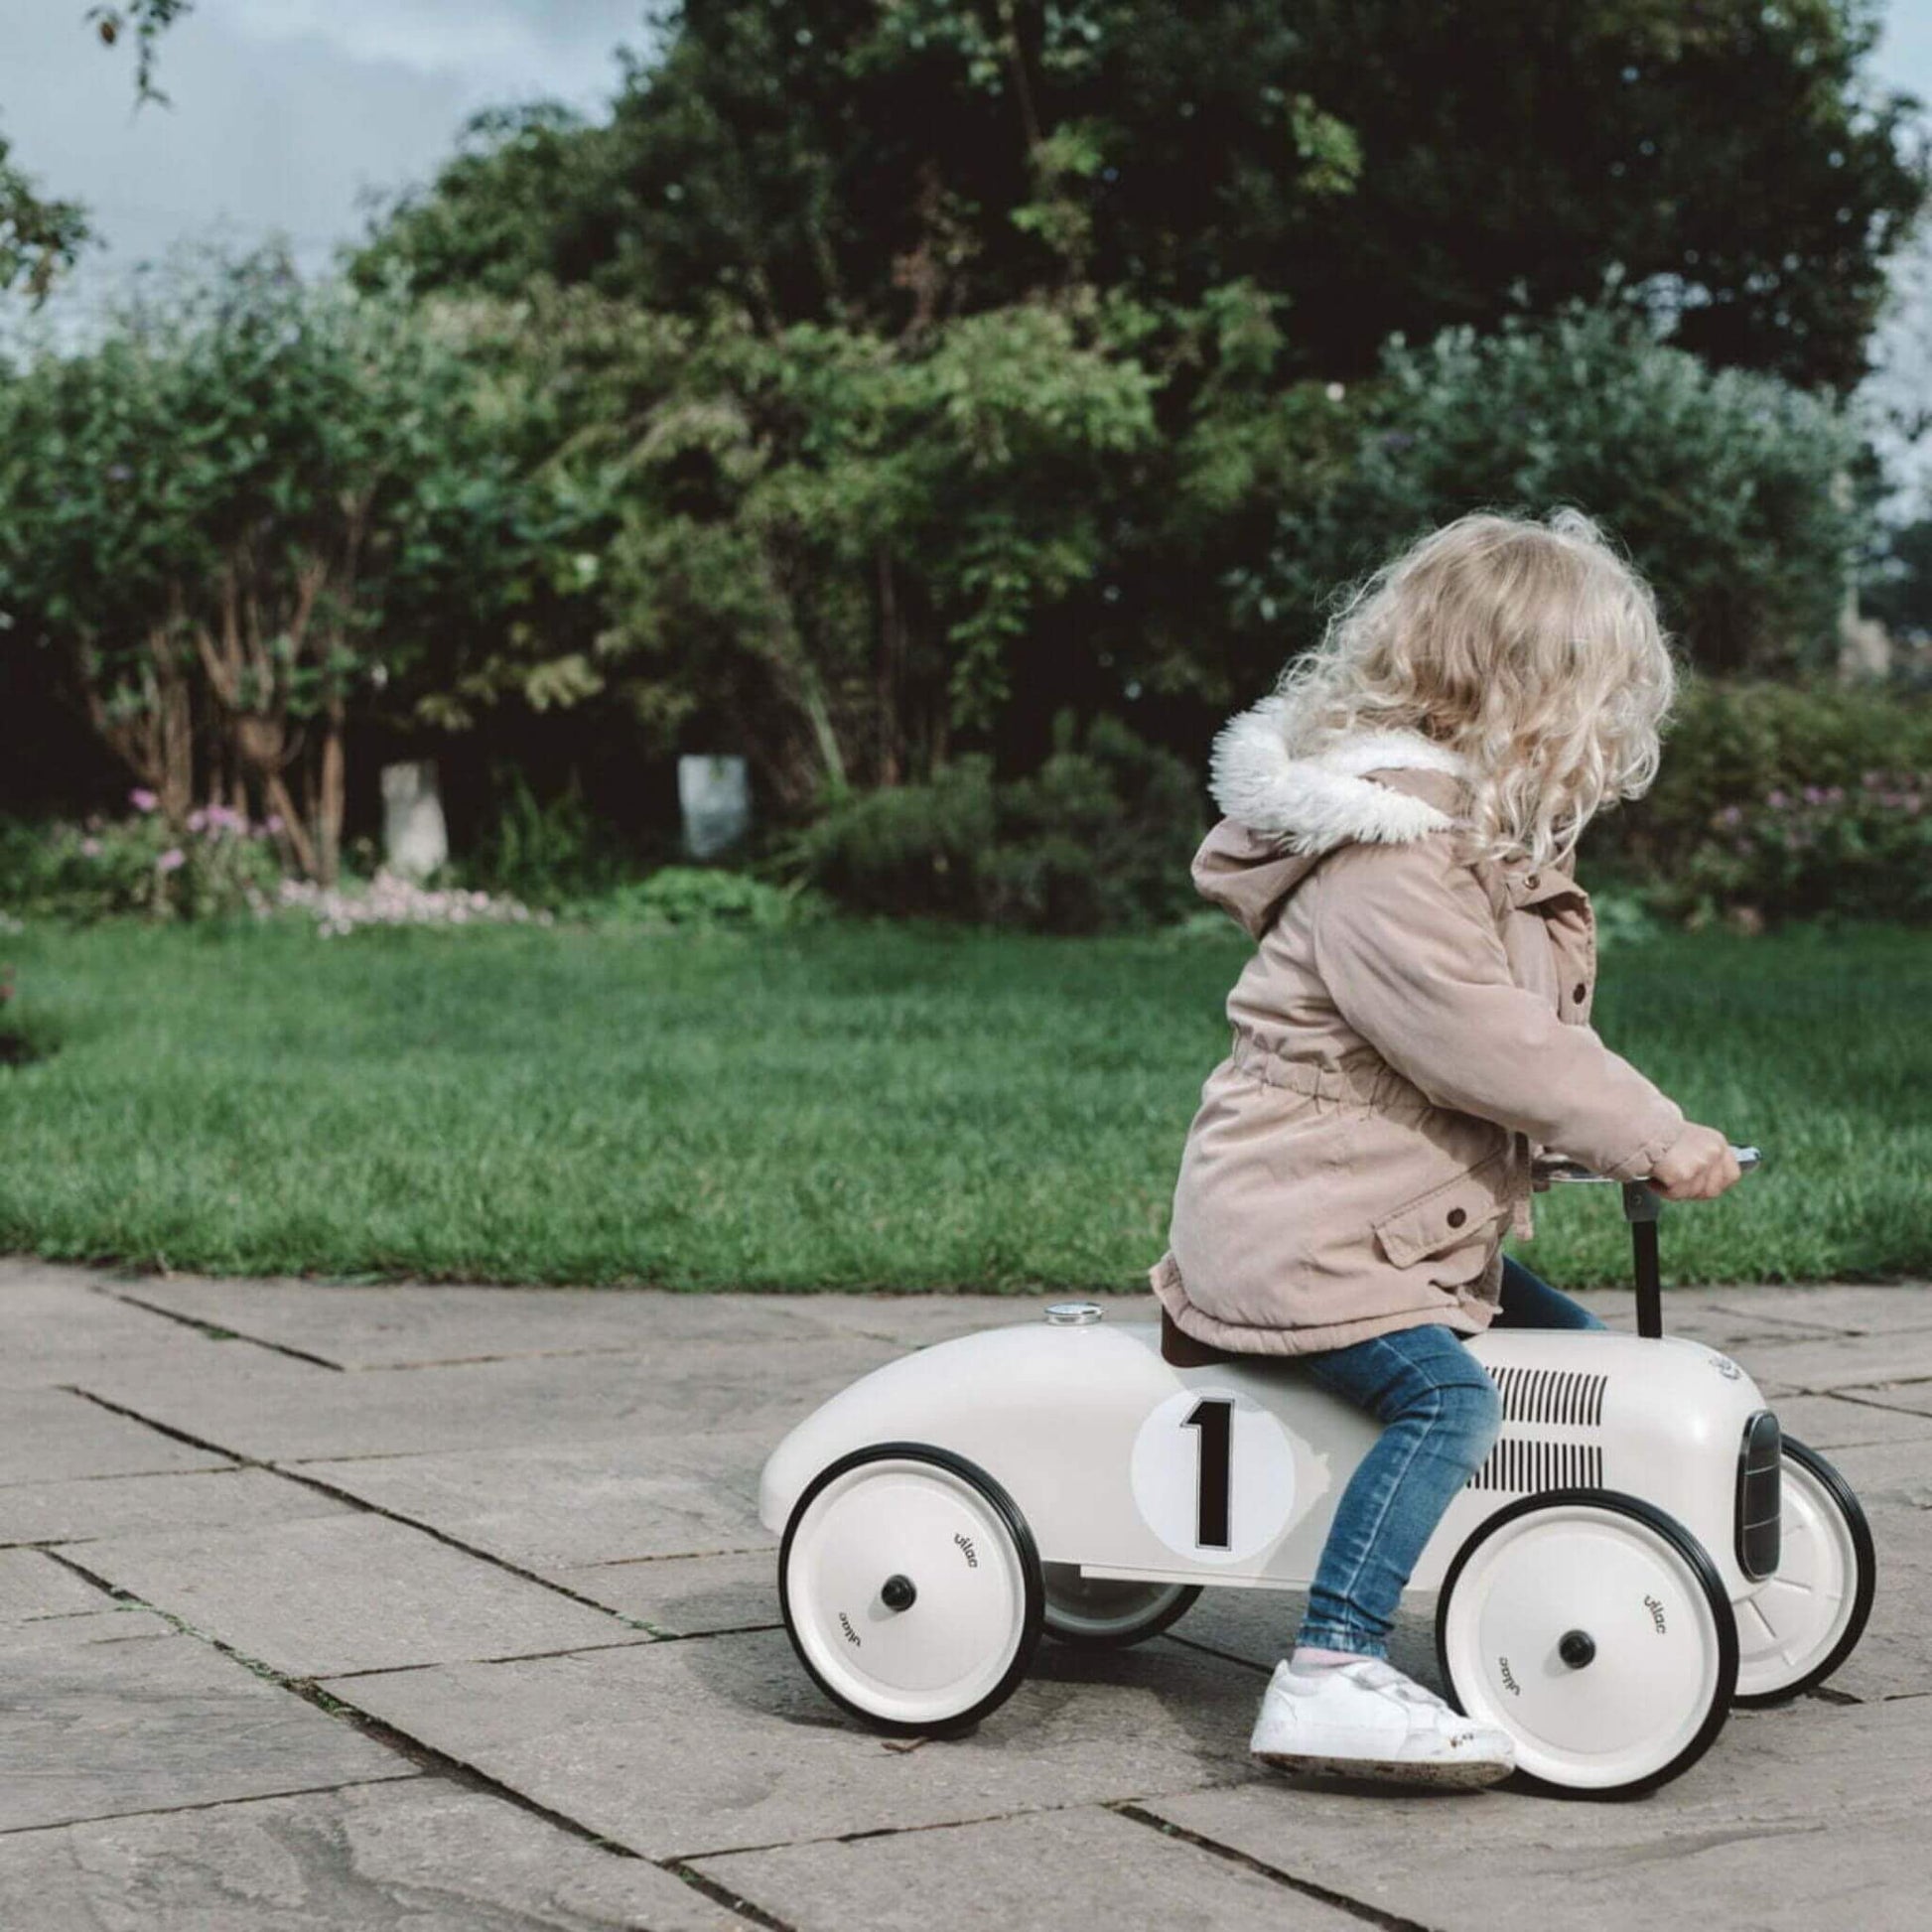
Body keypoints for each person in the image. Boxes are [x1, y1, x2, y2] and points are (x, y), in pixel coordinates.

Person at [1148, 508, 1742, 1789]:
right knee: (1451, 1397)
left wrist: (1596, 1142)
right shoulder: (1390, 854)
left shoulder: (1470, 842)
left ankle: (1612, 1573)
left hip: (1391, 1220)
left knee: (1578, 1368)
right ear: (1531, 698)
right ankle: (1330, 1669)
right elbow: (1482, 1042)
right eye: (1599, 700)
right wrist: (1652, 1129)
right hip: (1305, 1229)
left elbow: (1509, 1038)